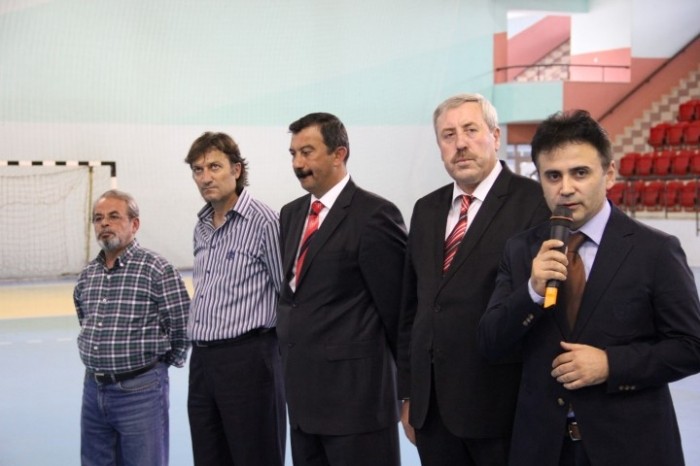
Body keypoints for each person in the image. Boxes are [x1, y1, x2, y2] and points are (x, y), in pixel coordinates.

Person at [478, 109, 700, 466]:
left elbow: (691, 346)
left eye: (580, 173)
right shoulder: (520, 250)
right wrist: (532, 292)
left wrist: (611, 364)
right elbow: (490, 341)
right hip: (543, 450)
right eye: (553, 175)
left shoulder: (655, 250)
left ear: (609, 174)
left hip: (630, 449)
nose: (566, 188)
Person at [396, 93, 550, 465]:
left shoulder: (534, 202)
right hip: (432, 411)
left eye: (470, 130)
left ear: (495, 137)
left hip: (500, 407)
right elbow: (412, 310)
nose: (460, 143)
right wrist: (409, 393)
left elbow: (544, 309)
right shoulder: (426, 209)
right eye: (448, 135)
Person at [277, 112, 407, 466]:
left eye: (307, 152)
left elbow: (399, 313)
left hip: (358, 406)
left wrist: (410, 393)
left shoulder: (374, 215)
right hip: (303, 406)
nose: (298, 163)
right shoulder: (290, 215)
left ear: (339, 154)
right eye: (293, 154)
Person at [184, 132, 286, 466]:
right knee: (209, 457)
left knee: (256, 456)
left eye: (214, 167)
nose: (205, 177)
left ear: (237, 169)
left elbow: (287, 294)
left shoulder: (265, 222)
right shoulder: (201, 226)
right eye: (198, 170)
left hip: (249, 360)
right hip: (202, 363)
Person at [74, 189, 190, 466]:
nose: (104, 223)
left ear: (134, 224)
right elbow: (84, 318)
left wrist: (156, 367)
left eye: (114, 216)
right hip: (93, 390)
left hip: (140, 391)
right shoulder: (88, 275)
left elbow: (183, 324)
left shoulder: (157, 269)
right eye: (98, 218)